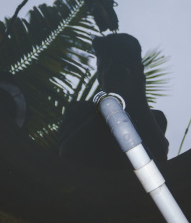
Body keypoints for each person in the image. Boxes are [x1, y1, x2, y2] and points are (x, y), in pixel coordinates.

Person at [59, 34, 169, 169]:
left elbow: (160, 157)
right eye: (103, 66)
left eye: (117, 64)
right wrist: (109, 107)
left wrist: (138, 96)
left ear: (137, 70)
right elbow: (67, 154)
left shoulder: (156, 118)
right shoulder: (81, 110)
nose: (109, 72)